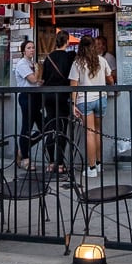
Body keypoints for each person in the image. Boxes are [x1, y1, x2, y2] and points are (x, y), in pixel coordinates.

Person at [69, 34, 114, 179]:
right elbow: (110, 80)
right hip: (101, 98)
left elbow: (74, 86)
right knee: (98, 131)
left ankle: (91, 167)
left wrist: (73, 104)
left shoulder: (78, 63)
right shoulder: (102, 60)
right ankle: (99, 164)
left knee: (90, 133)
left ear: (80, 47)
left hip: (85, 99)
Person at [35, 29, 77, 170]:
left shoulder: (49, 57)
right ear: (67, 42)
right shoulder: (69, 57)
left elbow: (44, 77)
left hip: (48, 95)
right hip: (62, 96)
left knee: (52, 128)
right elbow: (73, 77)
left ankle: (51, 162)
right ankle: (59, 163)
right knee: (62, 129)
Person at [12, 38, 39, 167]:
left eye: (33, 47)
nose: (31, 50)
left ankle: (22, 150)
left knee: (45, 126)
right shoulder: (22, 64)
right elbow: (33, 80)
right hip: (26, 96)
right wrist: (38, 70)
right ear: (23, 51)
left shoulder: (31, 63)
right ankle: (25, 159)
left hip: (35, 97)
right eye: (28, 48)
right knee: (26, 127)